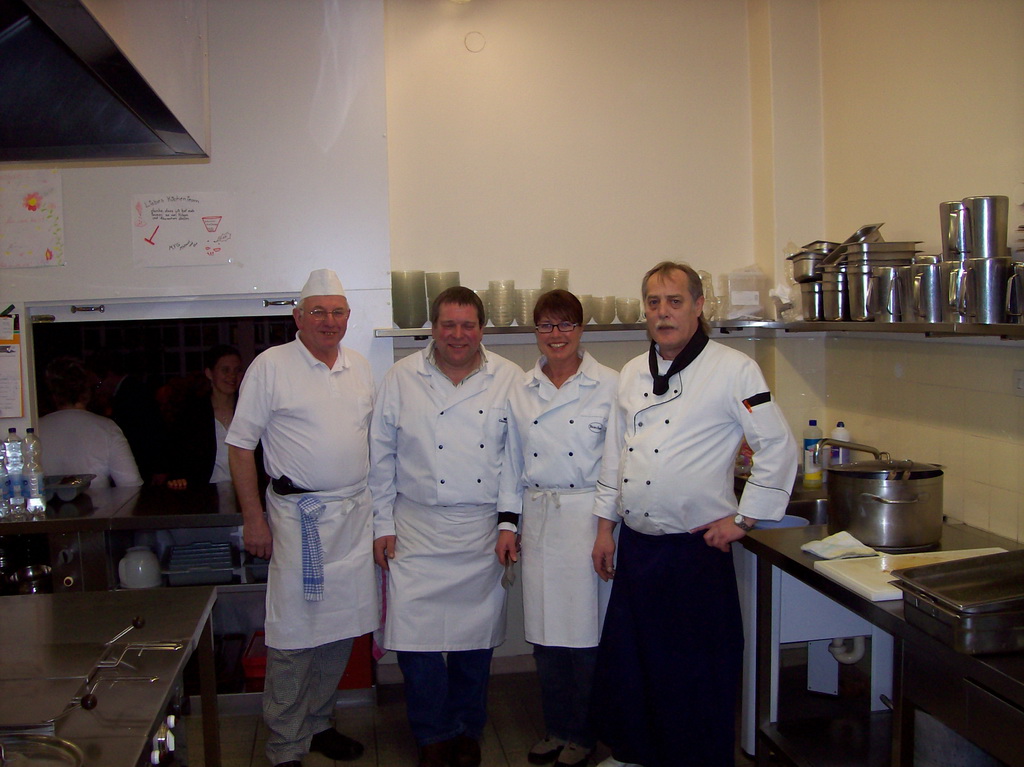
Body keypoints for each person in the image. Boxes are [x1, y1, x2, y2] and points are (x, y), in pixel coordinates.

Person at [590, 261, 798, 767]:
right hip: (638, 546)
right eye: (654, 303)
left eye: (675, 301)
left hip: (694, 551)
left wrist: (744, 520)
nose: (663, 312)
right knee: (634, 664)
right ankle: (635, 755)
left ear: (698, 306)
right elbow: (616, 455)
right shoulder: (632, 372)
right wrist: (604, 528)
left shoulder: (734, 369)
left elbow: (778, 445)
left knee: (695, 673)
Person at [226, 269, 376, 767]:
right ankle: (286, 743)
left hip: (352, 518)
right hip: (298, 520)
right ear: (297, 317)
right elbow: (240, 446)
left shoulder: (359, 366)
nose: (329, 321)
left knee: (341, 629)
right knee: (294, 635)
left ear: (348, 317)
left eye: (338, 312)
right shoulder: (271, 366)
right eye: (318, 312)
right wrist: (254, 519)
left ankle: (319, 724)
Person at [369, 286, 522, 767]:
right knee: (416, 645)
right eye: (448, 325)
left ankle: (466, 730)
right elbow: (381, 457)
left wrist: (508, 523)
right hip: (415, 527)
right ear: (433, 328)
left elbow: (516, 461)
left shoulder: (509, 378)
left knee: (475, 644)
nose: (458, 335)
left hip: (481, 529)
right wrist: (381, 524)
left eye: (468, 325)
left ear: (482, 329)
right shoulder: (401, 377)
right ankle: (432, 734)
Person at [495, 290, 618, 767]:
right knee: (545, 636)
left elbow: (616, 465)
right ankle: (557, 728)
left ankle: (584, 735)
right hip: (540, 516)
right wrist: (509, 524)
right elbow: (510, 463)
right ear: (536, 332)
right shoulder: (521, 390)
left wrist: (605, 530)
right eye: (546, 325)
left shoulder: (609, 385)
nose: (556, 335)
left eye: (566, 324)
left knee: (587, 637)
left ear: (581, 329)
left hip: (590, 519)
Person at [37, 356, 144, 489]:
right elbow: (131, 485)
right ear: (88, 391)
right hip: (99, 502)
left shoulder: (36, 428)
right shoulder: (106, 428)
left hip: (48, 502)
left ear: (53, 394)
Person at [88, 349, 169, 485]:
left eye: (98, 385)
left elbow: (154, 430)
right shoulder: (129, 390)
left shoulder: (132, 393)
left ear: (109, 375)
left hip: (144, 463)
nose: (98, 391)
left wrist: (159, 468)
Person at [167, 344, 244, 489]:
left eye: (237, 370)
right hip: (204, 491)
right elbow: (177, 455)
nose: (232, 376)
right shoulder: (192, 414)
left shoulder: (249, 410)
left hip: (244, 490)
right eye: (225, 370)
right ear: (209, 373)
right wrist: (177, 478)